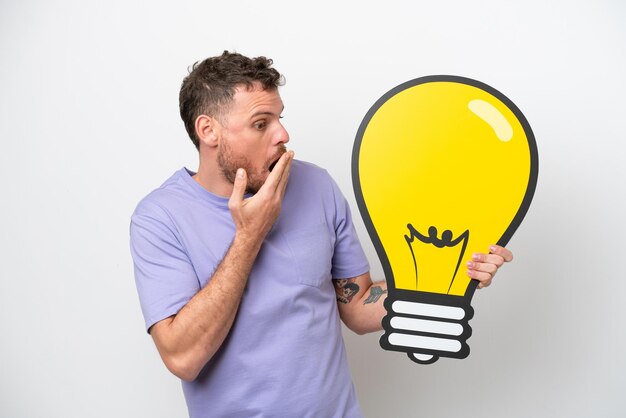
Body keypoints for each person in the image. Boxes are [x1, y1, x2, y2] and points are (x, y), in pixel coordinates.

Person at [129, 51, 513, 418]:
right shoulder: (160, 217)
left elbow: (358, 305)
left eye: (279, 118)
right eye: (261, 123)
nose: (282, 133)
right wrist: (250, 235)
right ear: (208, 130)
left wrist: (451, 276)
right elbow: (183, 358)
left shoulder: (317, 186)